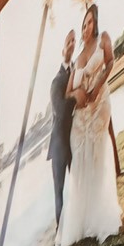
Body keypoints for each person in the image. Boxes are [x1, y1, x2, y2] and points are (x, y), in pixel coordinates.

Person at [56, 3, 122, 246]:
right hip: (80, 117)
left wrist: (96, 88)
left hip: (100, 105)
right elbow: (67, 92)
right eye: (83, 24)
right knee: (81, 163)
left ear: (96, 23)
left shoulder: (103, 40)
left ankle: (100, 214)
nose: (86, 28)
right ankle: (83, 219)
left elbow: (111, 62)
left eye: (89, 22)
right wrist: (77, 94)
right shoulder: (75, 60)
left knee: (98, 155)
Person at [48, 30, 76, 228]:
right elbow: (60, 111)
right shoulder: (56, 81)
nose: (72, 44)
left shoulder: (77, 70)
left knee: (77, 180)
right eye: (68, 41)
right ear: (62, 49)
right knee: (59, 190)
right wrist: (75, 97)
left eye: (74, 41)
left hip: (75, 138)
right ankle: (59, 228)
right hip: (59, 145)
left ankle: (76, 221)